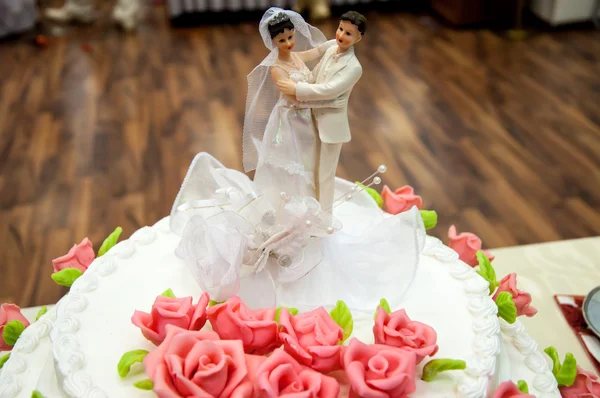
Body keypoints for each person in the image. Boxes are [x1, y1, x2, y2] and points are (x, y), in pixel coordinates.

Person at [243, 8, 342, 208]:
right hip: (290, 121)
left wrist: (334, 44)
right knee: (295, 161)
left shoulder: (295, 57)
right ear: (273, 42)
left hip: (307, 118)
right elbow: (295, 98)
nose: (288, 43)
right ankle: (293, 206)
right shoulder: (277, 68)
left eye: (290, 37)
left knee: (310, 159)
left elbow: (315, 52)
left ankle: (311, 203)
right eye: (282, 40)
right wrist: (322, 96)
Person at [277, 11, 366, 213]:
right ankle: (311, 209)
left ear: (359, 38)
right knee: (310, 167)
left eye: (349, 33)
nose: (341, 35)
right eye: (340, 28)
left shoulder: (353, 67)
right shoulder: (331, 48)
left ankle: (325, 216)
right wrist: (287, 61)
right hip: (312, 119)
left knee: (325, 174)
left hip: (331, 128)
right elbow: (314, 65)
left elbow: (330, 90)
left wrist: (297, 90)